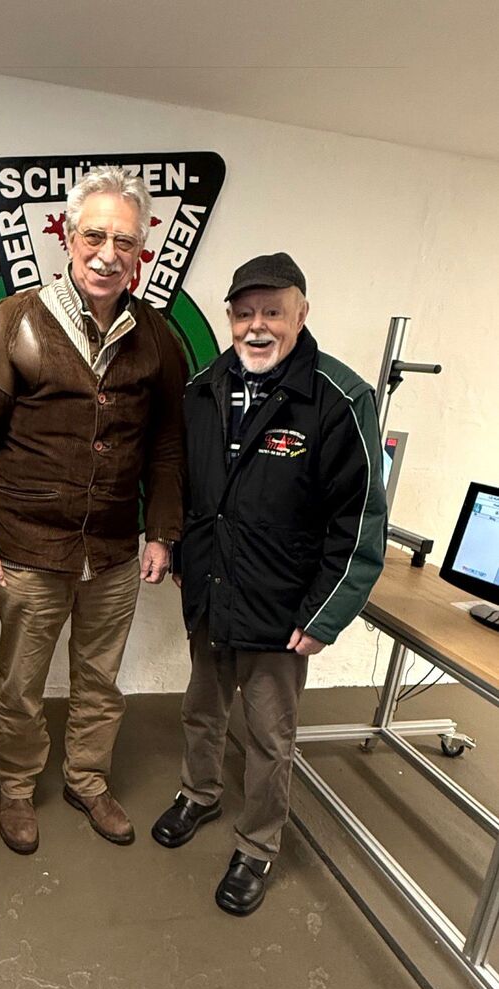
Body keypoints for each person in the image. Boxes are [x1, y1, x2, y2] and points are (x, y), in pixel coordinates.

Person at [0, 166, 187, 854]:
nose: (108, 254)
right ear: (66, 236)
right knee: (22, 684)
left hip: (114, 550)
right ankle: (18, 788)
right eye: (94, 236)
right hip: (26, 549)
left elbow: (168, 443)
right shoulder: (11, 322)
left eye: (125, 241)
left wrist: (161, 531)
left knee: (99, 680)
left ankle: (88, 780)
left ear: (141, 252)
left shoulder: (157, 336)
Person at [151, 252, 386, 915]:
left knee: (268, 735)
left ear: (301, 314)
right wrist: (179, 551)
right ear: (230, 317)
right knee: (202, 708)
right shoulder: (202, 389)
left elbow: (359, 520)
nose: (257, 327)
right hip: (210, 591)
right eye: (245, 313)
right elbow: (187, 484)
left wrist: (325, 613)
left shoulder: (339, 399)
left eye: (273, 313)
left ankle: (257, 844)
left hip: (282, 607)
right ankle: (199, 793)